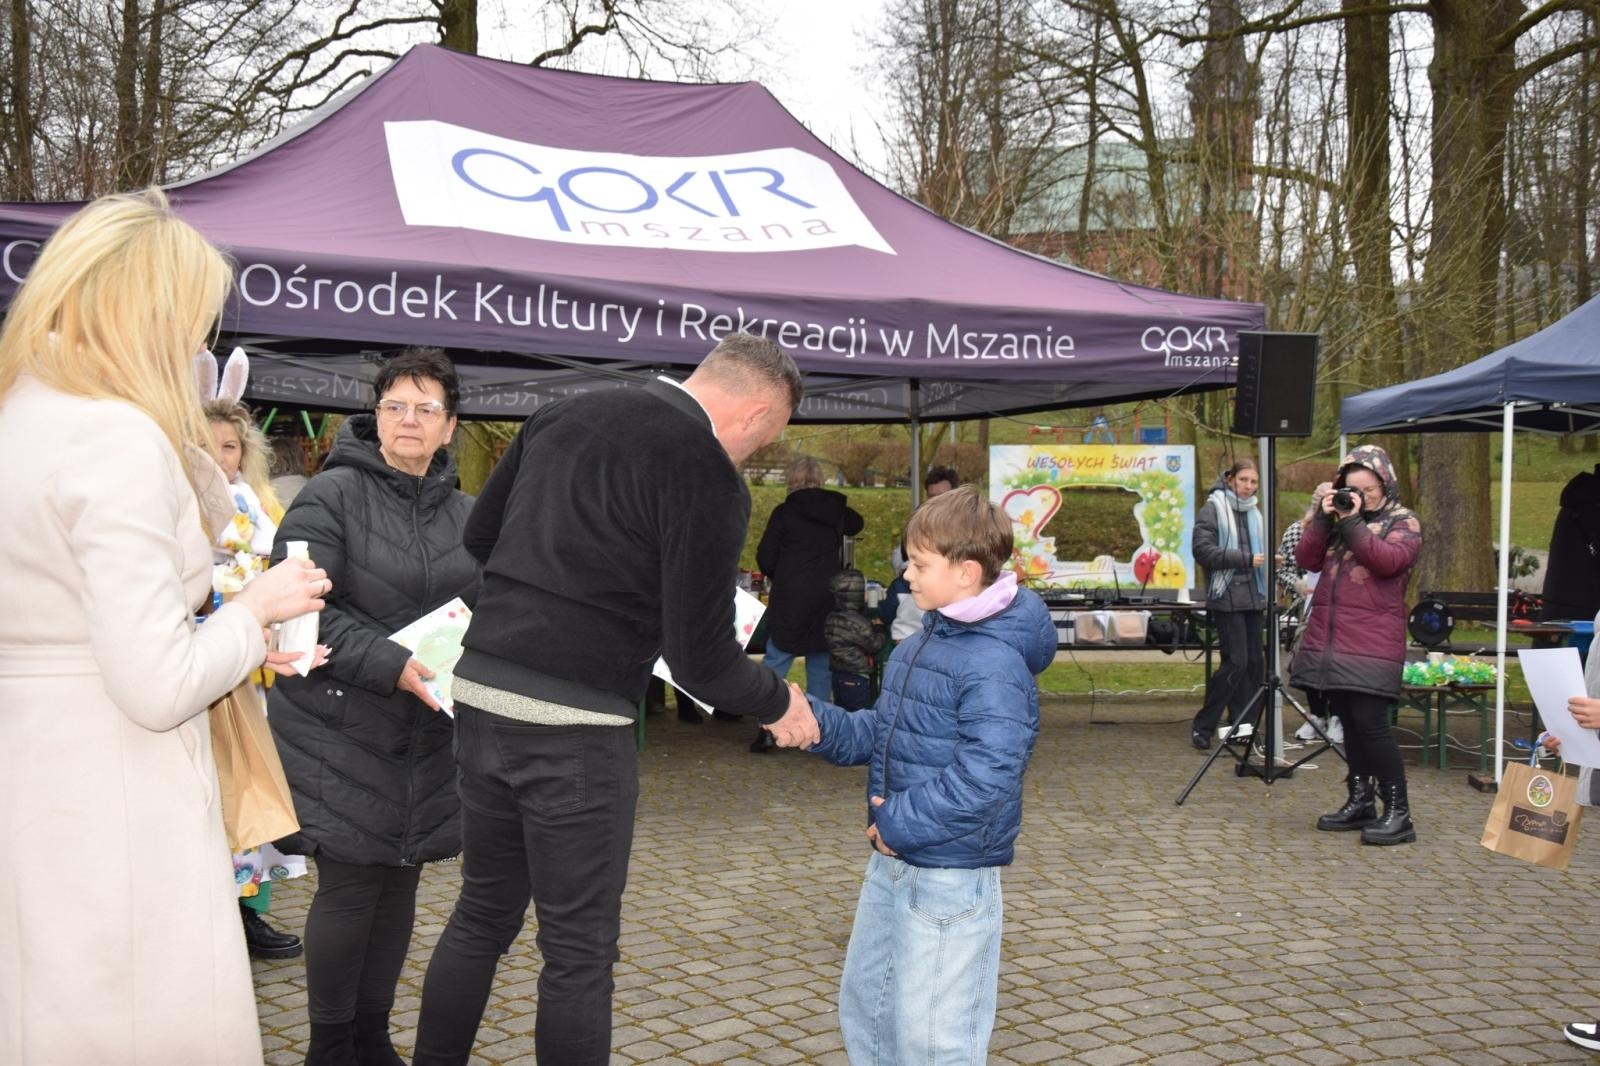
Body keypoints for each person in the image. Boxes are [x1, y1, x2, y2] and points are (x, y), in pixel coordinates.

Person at [412, 333, 819, 1066]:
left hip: (481, 692)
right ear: (759, 411)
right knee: (577, 952)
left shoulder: (564, 413)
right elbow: (701, 657)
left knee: (481, 914)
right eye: (769, 436)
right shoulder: (707, 474)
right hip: (576, 726)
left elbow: (480, 536)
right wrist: (777, 703)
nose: (758, 452)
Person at [0, 189, 328, 1065]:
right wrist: (256, 613)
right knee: (138, 1022)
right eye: (193, 325)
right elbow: (157, 683)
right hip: (119, 788)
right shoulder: (110, 437)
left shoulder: (21, 413)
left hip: (38, 772)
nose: (200, 346)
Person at [787, 486, 1056, 1063]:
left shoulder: (993, 662)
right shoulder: (919, 646)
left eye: (918, 563)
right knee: (871, 1010)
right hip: (894, 860)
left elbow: (988, 775)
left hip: (949, 873)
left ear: (966, 572)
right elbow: (883, 734)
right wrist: (814, 722)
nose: (905, 575)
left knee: (934, 1037)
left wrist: (898, 823)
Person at [267, 347, 481, 1065]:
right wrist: (394, 665)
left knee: (400, 883)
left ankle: (371, 1035)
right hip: (341, 721)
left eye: (426, 408)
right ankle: (329, 1046)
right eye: (395, 405)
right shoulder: (329, 497)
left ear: (450, 426)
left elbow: (490, 606)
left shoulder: (469, 515)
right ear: (376, 415)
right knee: (354, 884)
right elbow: (298, 611)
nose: (409, 420)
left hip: (426, 731)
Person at [203, 387, 309, 962]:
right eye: (208, 445)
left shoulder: (258, 504)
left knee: (249, 798)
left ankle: (247, 914)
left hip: (250, 680)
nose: (221, 457)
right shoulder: (169, 502)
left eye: (230, 446)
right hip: (198, 678)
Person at [1292, 444, 1423, 845]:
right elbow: (1306, 559)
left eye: (1368, 490)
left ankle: (1399, 813)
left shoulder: (1404, 522)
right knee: (1349, 724)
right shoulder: (1336, 521)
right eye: (1352, 489)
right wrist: (1320, 516)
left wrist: (1351, 522)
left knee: (1372, 727)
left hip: (1373, 643)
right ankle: (1361, 800)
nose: (1360, 497)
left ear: (1386, 485)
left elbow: (1387, 562)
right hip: (1334, 640)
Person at [750, 454, 864, 751]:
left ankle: (766, 728)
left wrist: (783, 576)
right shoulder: (834, 510)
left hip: (791, 595)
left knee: (777, 661)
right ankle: (817, 731)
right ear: (819, 480)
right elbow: (857, 524)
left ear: (792, 481)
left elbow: (765, 557)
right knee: (821, 664)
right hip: (827, 595)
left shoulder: (784, 513)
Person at [1189, 458, 1268, 750]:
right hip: (1226, 597)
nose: (1248, 486)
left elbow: (1259, 551)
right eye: (1244, 480)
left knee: (1253, 665)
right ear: (1231, 478)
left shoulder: (1257, 512)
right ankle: (1204, 725)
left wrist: (1268, 561)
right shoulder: (1213, 508)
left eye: (1254, 482)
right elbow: (1202, 550)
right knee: (1236, 663)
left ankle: (1241, 727)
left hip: (1254, 596)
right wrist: (1245, 559)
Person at [1278, 486, 1339, 745]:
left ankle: (1338, 716)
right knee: (1309, 660)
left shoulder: (1348, 531)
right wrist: (1298, 586)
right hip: (1311, 607)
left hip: (1343, 608)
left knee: (1338, 662)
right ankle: (1316, 715)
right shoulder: (1297, 531)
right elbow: (1283, 568)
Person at [823, 567, 886, 710]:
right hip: (856, 675)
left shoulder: (831, 617)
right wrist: (879, 629)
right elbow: (874, 645)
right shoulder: (858, 621)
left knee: (842, 713)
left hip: (838, 674)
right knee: (859, 717)